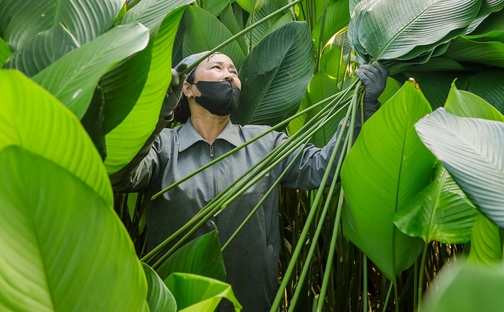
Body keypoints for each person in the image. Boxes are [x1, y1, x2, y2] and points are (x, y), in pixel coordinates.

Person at [110, 52, 388, 311]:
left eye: (233, 71)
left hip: (253, 301)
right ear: (188, 88)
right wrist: (157, 118)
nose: (229, 75)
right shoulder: (163, 146)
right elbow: (120, 178)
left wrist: (362, 109)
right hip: (179, 302)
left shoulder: (265, 143)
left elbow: (323, 167)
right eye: (217, 67)